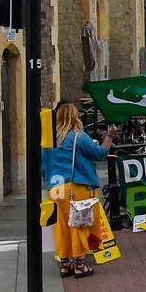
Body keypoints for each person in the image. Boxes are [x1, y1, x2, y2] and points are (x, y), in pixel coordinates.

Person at [43, 104, 114, 277]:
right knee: (79, 224)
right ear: (75, 117)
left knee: (61, 226)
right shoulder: (78, 137)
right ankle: (79, 265)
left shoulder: (49, 139)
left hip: (54, 189)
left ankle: (65, 264)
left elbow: (42, 166)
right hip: (76, 186)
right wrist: (110, 136)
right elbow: (99, 153)